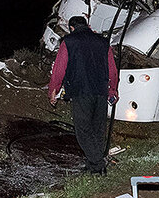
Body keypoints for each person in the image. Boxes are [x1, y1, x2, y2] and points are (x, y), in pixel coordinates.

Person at [48, 16, 119, 174]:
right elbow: (112, 69)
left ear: (71, 27)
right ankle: (93, 165)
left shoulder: (69, 41)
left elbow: (59, 69)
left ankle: (98, 164)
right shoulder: (103, 42)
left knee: (83, 130)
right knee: (98, 129)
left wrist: (53, 90)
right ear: (87, 25)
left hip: (81, 91)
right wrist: (113, 89)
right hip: (101, 91)